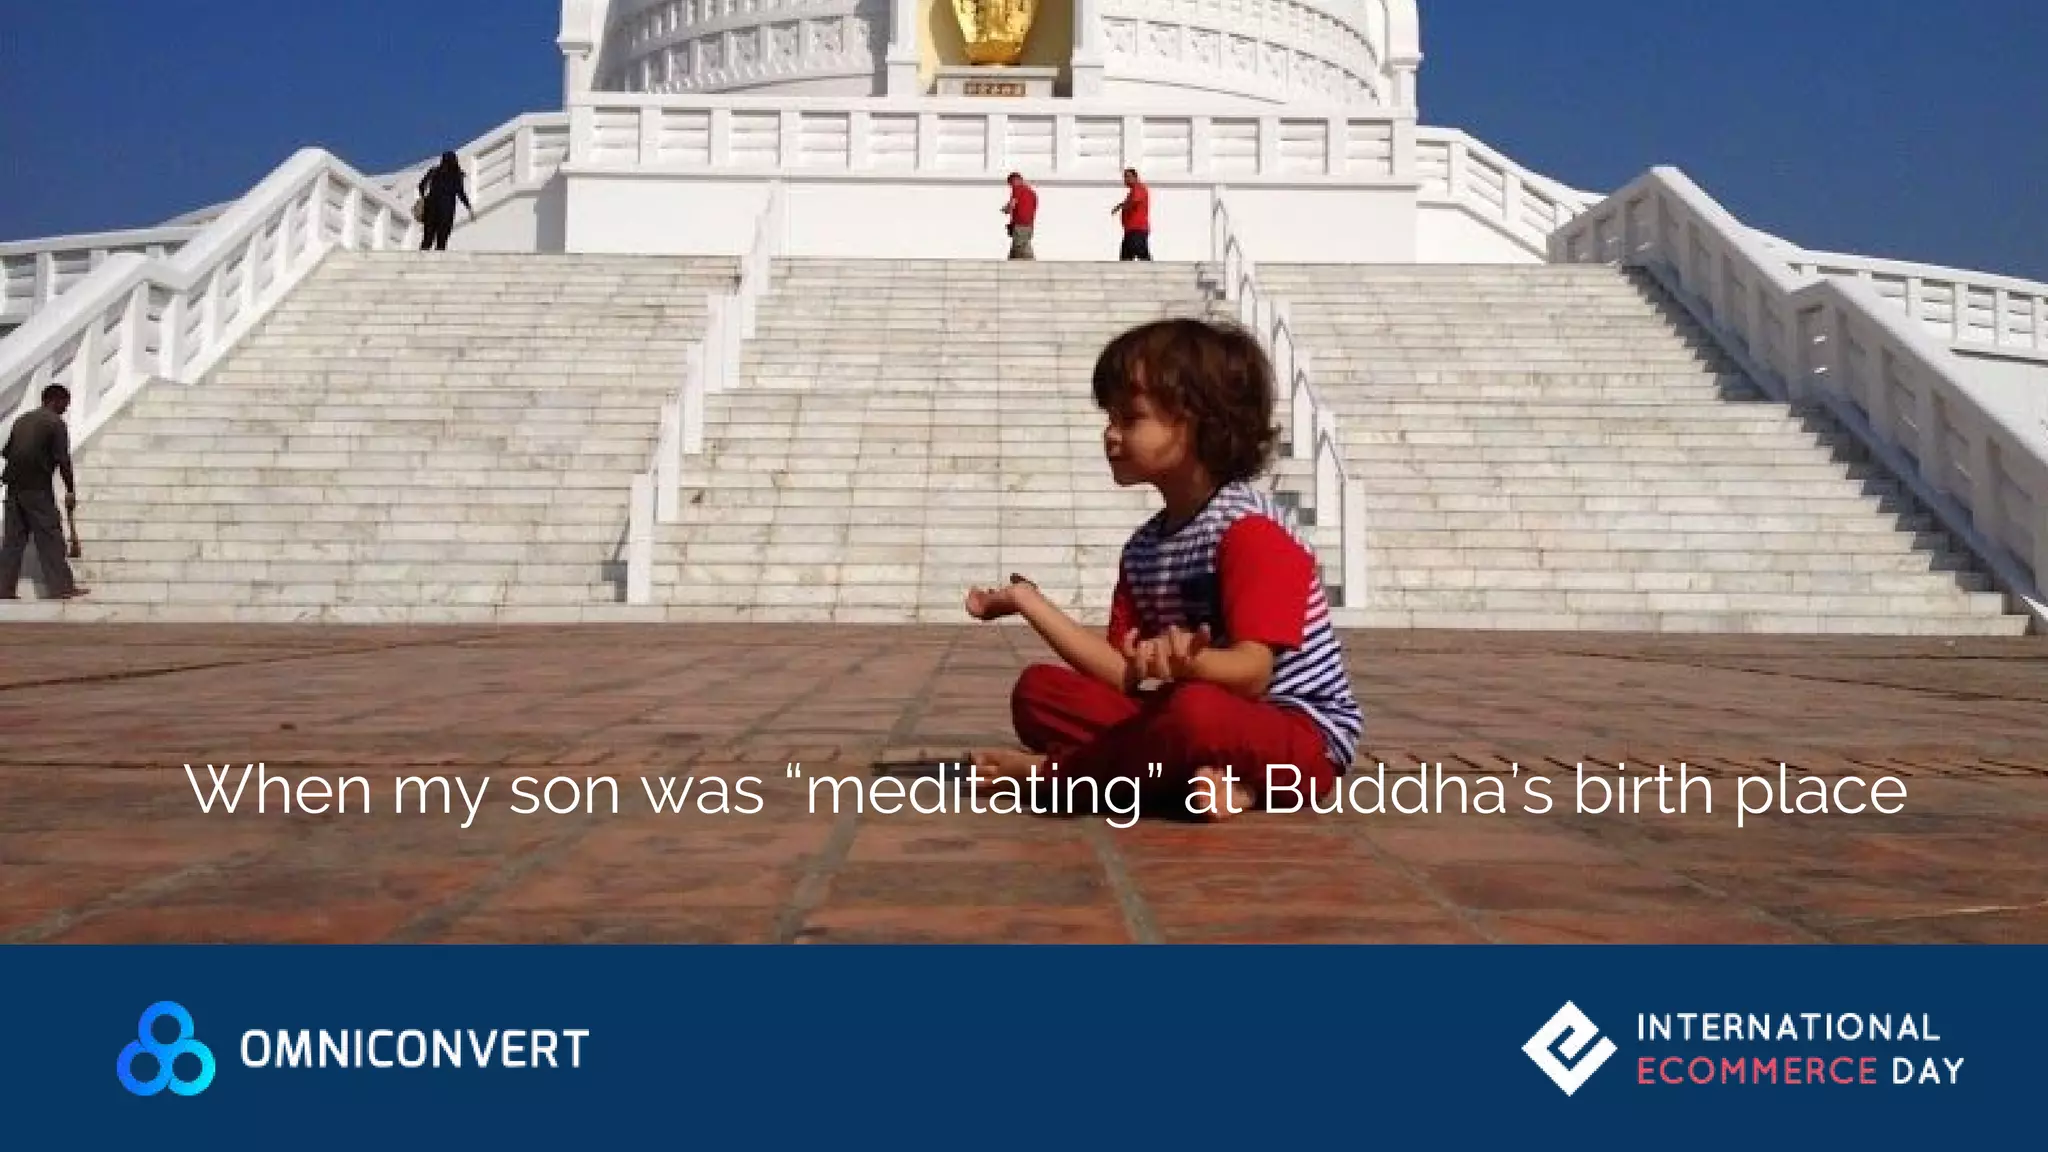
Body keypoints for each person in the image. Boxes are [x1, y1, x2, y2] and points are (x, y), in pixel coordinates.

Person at [965, 320, 1363, 821]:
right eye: (1110, 418)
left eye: (1131, 418)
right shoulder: (1144, 548)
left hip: (1295, 732)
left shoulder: (1251, 531)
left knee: (1195, 712)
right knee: (1040, 693)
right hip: (1187, 714)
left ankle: (1057, 776)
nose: (1110, 435)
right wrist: (1030, 604)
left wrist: (1189, 666)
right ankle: (1186, 781)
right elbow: (1123, 674)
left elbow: (1253, 674)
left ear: (1200, 424)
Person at [0, 384, 88, 600]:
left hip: (13, 487)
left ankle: (3, 588)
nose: (66, 408)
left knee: (12, 540)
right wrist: (70, 489)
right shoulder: (55, 423)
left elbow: (7, 452)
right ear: (55, 400)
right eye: (65, 403)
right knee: (50, 537)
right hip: (37, 487)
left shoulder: (22, 420)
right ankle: (62, 587)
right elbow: (63, 460)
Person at [416, 152, 475, 252]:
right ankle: (438, 262)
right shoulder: (456, 174)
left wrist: (425, 198)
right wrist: (469, 207)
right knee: (442, 240)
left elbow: (421, 186)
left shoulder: (434, 171)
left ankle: (421, 260)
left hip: (431, 208)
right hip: (447, 211)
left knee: (427, 238)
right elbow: (461, 193)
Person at [1110, 168, 1151, 261]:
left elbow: (1134, 200)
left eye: (1128, 177)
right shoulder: (1133, 191)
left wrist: (1121, 206)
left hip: (1137, 228)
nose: (1126, 179)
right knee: (1126, 255)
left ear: (1135, 177)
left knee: (1140, 252)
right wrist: (1121, 206)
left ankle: (1152, 272)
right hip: (1131, 229)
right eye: (1125, 177)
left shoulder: (1139, 188)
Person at [1001, 172, 1038, 260]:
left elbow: (1012, 204)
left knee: (1020, 250)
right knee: (1019, 248)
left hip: (1020, 224)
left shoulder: (1017, 189)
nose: (1011, 186)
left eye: (1011, 183)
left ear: (1015, 180)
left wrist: (1006, 209)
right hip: (1028, 225)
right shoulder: (1031, 192)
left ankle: (1032, 268)